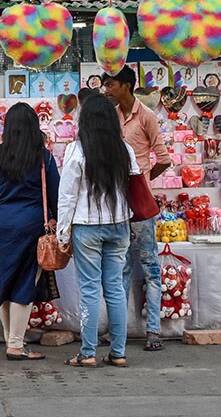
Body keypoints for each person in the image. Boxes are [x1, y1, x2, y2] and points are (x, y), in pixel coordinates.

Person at [57, 95, 140, 368]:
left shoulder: (76, 151)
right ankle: (118, 352)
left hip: (87, 227)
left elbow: (67, 196)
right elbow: (135, 186)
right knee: (115, 288)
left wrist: (62, 232)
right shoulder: (125, 150)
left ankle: (88, 352)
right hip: (119, 225)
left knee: (90, 290)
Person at [0, 102, 59, 361]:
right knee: (24, 282)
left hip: (2, 223)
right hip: (32, 224)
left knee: (5, 280)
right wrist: (56, 220)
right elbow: (55, 193)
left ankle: (11, 339)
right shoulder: (43, 157)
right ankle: (15, 344)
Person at [103, 66, 171, 352]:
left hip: (140, 206)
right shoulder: (111, 116)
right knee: (121, 268)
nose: (106, 89)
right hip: (116, 205)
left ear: (127, 86)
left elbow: (164, 159)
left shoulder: (147, 117)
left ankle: (153, 330)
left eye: (111, 84)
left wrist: (143, 182)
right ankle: (119, 329)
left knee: (150, 268)